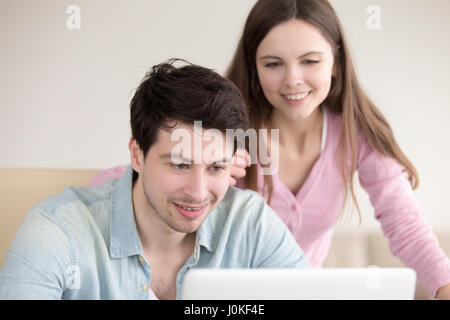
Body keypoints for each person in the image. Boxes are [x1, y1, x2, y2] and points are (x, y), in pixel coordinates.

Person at [87, 0, 450, 299]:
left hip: (302, 292)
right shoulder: (225, 132)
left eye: (310, 61)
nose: (293, 79)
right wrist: (211, 173)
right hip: (224, 300)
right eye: (273, 64)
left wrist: (442, 284)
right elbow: (135, 178)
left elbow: (405, 222)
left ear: (336, 62)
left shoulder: (356, 134)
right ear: (253, 66)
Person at [0, 60, 309, 300]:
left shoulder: (250, 224)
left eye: (216, 168)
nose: (198, 193)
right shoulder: (57, 235)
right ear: (137, 155)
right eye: (179, 164)